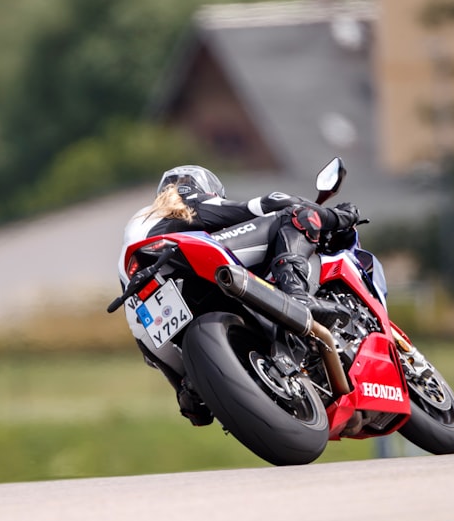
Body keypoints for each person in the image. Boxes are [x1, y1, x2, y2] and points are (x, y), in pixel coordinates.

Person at [119, 164, 360, 426]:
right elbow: (270, 203)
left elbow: (149, 347)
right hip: (181, 259)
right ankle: (297, 296)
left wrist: (187, 387)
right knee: (294, 216)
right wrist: (338, 217)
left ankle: (192, 387)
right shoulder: (182, 199)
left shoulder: (138, 230)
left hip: (141, 303)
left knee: (188, 391)